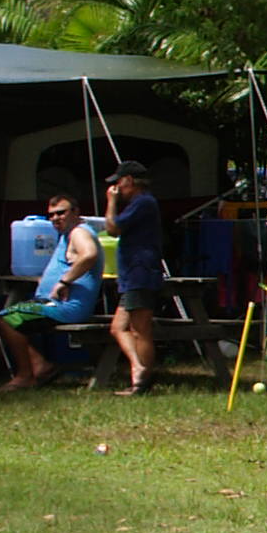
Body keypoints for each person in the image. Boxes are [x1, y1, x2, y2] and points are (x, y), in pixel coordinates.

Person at [0, 190, 100, 389]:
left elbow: (90, 254)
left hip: (66, 308)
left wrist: (65, 282)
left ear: (76, 212)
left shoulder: (79, 232)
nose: (55, 218)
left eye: (61, 213)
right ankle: (41, 366)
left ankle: (26, 376)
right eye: (51, 215)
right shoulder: (66, 235)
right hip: (51, 303)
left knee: (7, 319)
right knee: (6, 317)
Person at [102, 164, 167, 396]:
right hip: (132, 275)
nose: (116, 188)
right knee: (118, 327)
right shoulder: (139, 204)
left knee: (140, 329)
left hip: (141, 272)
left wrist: (111, 202)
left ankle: (142, 382)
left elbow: (112, 228)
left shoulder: (143, 202)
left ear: (129, 180)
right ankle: (138, 368)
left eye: (118, 182)